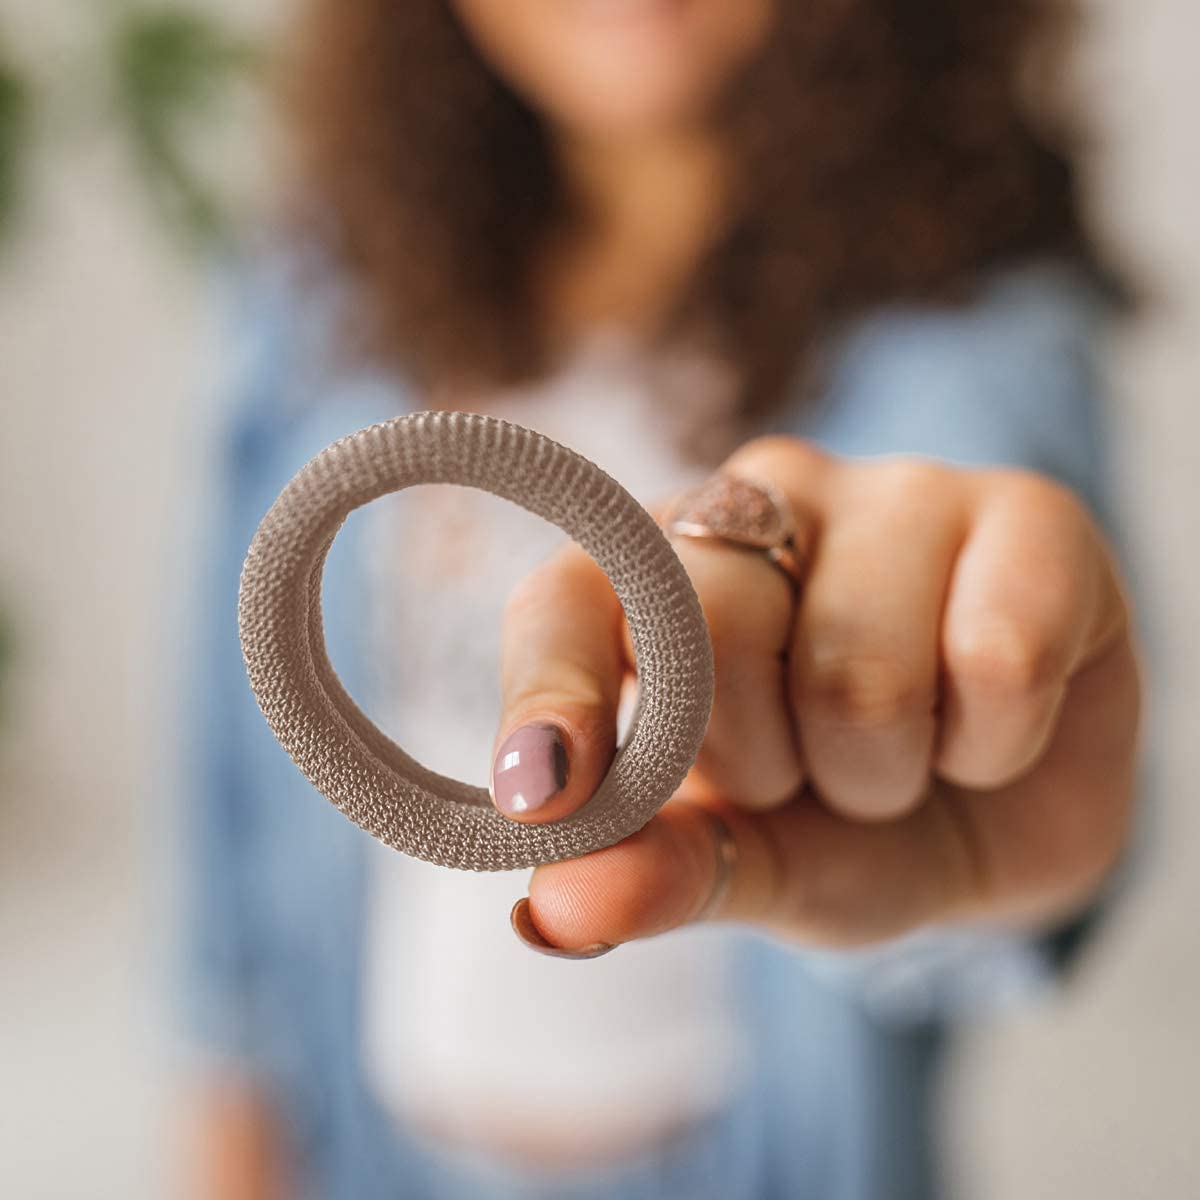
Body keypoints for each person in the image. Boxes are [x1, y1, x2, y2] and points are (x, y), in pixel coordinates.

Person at [181, 2, 1141, 1197]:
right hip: (369, 1147)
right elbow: (227, 768)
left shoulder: (964, 331)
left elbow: (992, 843)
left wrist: (979, 783)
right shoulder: (325, 275)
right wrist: (229, 1129)